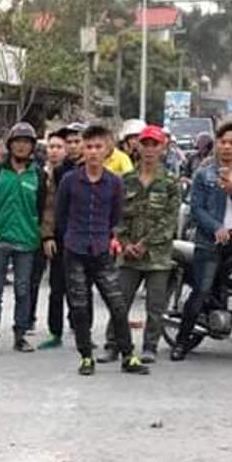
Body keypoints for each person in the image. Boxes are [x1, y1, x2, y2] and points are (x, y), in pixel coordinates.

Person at [54, 124, 149, 376]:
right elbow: (61, 215)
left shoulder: (114, 183)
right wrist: (70, 237)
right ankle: (86, 356)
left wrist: (106, 237)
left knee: (117, 304)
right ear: (82, 150)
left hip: (102, 250)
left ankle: (128, 355)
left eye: (98, 147)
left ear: (108, 150)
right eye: (88, 147)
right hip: (74, 250)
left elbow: (115, 216)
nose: (93, 152)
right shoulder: (69, 180)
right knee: (80, 306)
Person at [171, 122, 232, 361]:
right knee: (202, 289)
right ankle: (181, 343)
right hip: (209, 241)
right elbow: (196, 209)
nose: (227, 147)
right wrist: (217, 228)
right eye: (223, 142)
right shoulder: (204, 173)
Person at [103, 125, 179, 364]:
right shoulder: (125, 181)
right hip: (128, 254)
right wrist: (125, 243)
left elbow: (170, 221)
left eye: (154, 144)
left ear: (162, 147)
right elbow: (116, 216)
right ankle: (113, 345)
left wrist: (145, 244)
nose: (149, 149)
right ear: (137, 146)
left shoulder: (169, 182)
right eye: (144, 144)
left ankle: (150, 347)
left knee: (155, 307)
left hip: (157, 255)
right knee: (119, 301)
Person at [0, 122, 45, 354]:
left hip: (26, 239)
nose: (22, 146)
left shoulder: (38, 174)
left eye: (27, 142)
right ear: (11, 145)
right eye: (18, 142)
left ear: (32, 146)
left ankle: (20, 335)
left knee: (23, 290)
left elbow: (41, 205)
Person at [34, 131, 69, 349]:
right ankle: (54, 331)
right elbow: (47, 209)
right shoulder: (40, 173)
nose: (54, 151)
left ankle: (80, 326)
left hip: (72, 237)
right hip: (48, 235)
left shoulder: (71, 173)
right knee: (53, 286)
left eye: (59, 147)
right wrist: (47, 235)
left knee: (77, 287)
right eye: (51, 146)